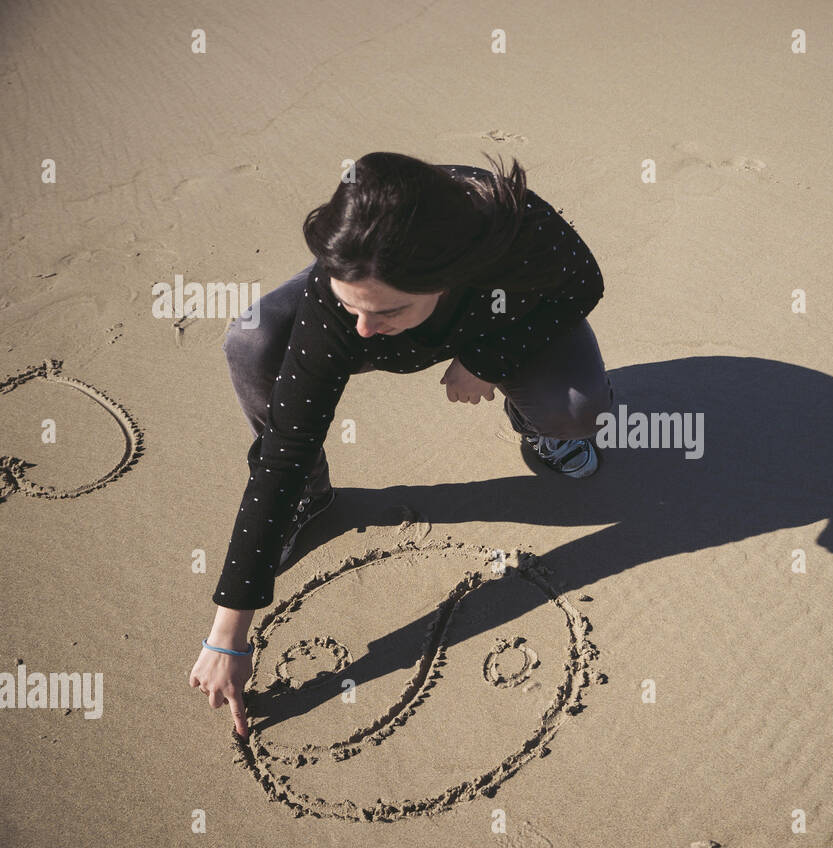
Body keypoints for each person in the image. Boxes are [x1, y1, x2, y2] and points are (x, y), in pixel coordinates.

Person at [188, 151, 612, 739]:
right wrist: (228, 632)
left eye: (384, 310)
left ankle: (536, 423)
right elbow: (281, 454)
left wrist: (487, 359)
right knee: (254, 340)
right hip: (395, 314)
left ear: (447, 276)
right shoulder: (339, 312)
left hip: (491, 324)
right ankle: (312, 501)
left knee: (577, 409)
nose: (361, 328)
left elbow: (582, 285)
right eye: (350, 303)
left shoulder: (514, 230)